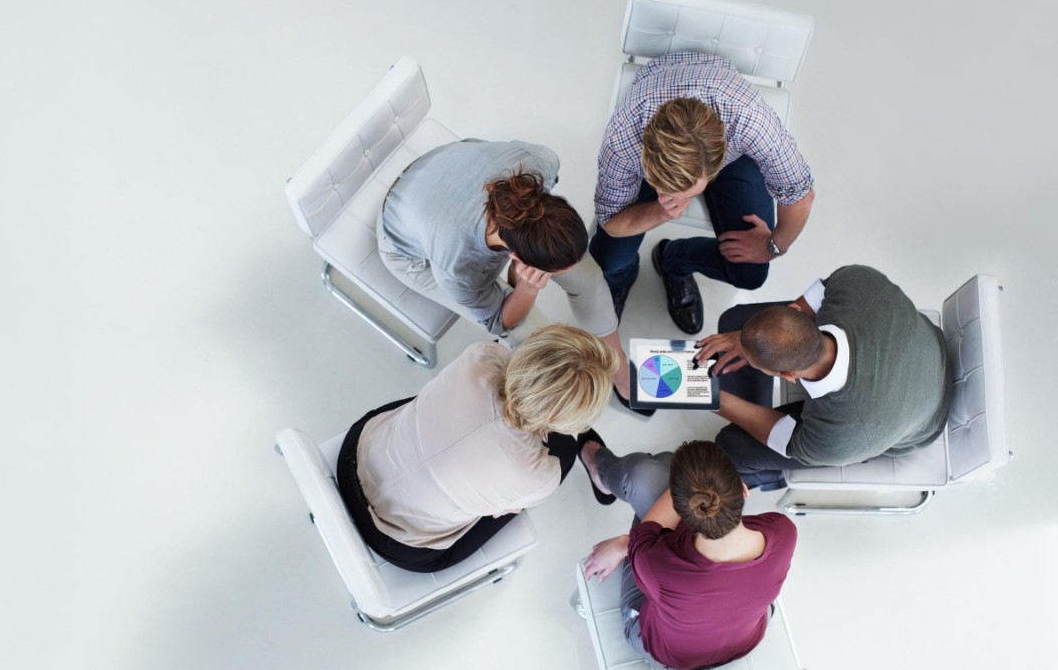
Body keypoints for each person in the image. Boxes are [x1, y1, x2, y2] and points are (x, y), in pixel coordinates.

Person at [337, 324, 618, 572]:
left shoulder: (482, 356)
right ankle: (579, 447)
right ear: (569, 418)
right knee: (565, 450)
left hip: (355, 458)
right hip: (397, 542)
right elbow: (498, 511)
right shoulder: (539, 478)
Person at [378, 139, 633, 404]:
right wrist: (526, 288)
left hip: (441, 167)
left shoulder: (541, 160)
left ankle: (619, 368)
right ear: (517, 257)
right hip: (405, 245)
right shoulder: (458, 269)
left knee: (588, 277)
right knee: (533, 335)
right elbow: (500, 321)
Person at [590, 51, 816, 335]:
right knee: (608, 259)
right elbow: (611, 219)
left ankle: (673, 261)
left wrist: (773, 245)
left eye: (689, 192)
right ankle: (622, 277)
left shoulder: (749, 120)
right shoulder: (623, 137)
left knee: (751, 273)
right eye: (666, 187)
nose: (682, 201)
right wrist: (659, 211)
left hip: (728, 132)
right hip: (653, 97)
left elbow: (801, 195)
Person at [693, 265, 952, 490]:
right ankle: (750, 381)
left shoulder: (840, 435)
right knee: (735, 321)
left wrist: (714, 400)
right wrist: (750, 339)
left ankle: (769, 478)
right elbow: (806, 304)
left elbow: (790, 440)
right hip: (925, 347)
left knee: (732, 446)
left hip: (921, 418)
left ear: (788, 375)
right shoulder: (856, 280)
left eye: (756, 365)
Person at [581, 439, 797, 670]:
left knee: (645, 473)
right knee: (655, 468)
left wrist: (625, 543)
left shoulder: (658, 564)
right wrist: (624, 544)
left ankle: (601, 471)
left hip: (667, 652)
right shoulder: (784, 532)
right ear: (743, 489)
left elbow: (645, 534)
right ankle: (611, 472)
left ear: (680, 510)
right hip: (745, 639)